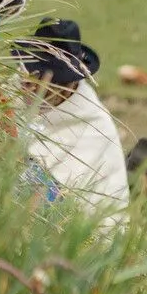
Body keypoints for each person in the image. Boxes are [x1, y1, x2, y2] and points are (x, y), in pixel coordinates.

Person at [16, 20, 130, 218]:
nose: (26, 85)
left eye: (39, 77)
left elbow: (78, 204)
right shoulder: (15, 93)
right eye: (27, 72)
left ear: (67, 84)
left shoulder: (95, 128)